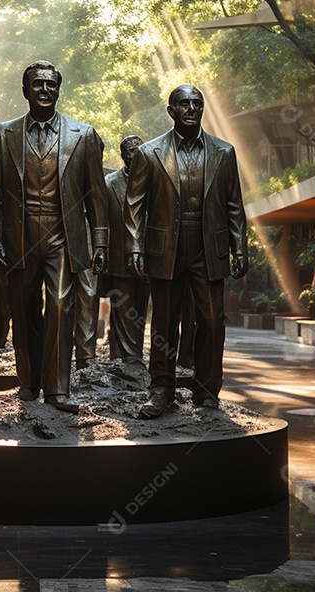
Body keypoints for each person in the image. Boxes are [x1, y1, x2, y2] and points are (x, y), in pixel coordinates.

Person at [0, 60, 109, 413]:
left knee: (59, 306)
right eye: (37, 84)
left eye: (51, 84)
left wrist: (100, 241)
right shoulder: (5, 134)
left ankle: (57, 389)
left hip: (62, 234)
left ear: (58, 89)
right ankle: (29, 381)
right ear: (24, 90)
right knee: (23, 311)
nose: (45, 89)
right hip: (18, 237)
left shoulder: (82, 135)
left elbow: (96, 193)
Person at [125, 84, 248, 419]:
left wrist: (239, 246)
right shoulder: (149, 153)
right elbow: (134, 205)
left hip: (208, 248)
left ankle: (207, 391)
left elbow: (234, 204)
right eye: (184, 104)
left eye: (197, 104)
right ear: (171, 110)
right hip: (165, 249)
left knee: (212, 321)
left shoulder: (224, 152)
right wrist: (134, 246)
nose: (192, 109)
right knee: (165, 322)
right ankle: (161, 391)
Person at [101, 135, 149, 364]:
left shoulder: (154, 180)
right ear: (123, 155)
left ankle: (135, 356)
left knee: (140, 310)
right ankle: (119, 357)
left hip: (149, 257)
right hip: (119, 256)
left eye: (139, 150)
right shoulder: (109, 183)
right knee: (122, 309)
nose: (135, 154)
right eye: (130, 151)